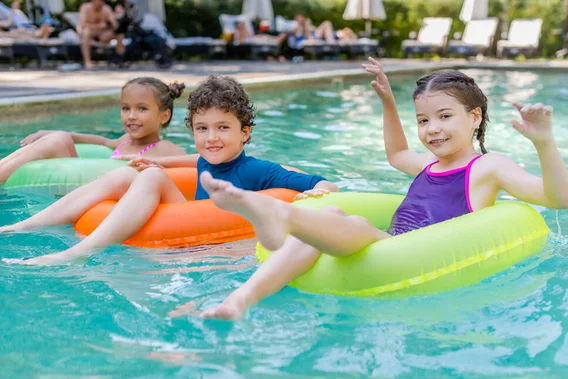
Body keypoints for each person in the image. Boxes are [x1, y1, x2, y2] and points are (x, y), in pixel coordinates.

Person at [196, 57, 568, 320]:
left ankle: (280, 215)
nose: (432, 129)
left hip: (410, 253)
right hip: (387, 240)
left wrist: (544, 142)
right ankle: (240, 299)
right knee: (326, 217)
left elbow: (559, 200)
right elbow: (396, 153)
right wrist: (388, 102)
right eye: (423, 120)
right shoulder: (428, 164)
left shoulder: (487, 167)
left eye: (444, 117)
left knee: (350, 223)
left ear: (474, 118)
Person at [0, 75, 339, 265]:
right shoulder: (206, 158)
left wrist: (317, 191)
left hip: (203, 247)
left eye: (223, 128)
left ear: (245, 132)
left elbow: (321, 182)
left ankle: (76, 254)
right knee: (124, 174)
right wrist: (158, 162)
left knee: (149, 177)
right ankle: (23, 225)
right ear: (192, 130)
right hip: (184, 227)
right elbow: (193, 162)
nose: (211, 138)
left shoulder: (262, 172)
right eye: (202, 129)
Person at [0, 77, 186, 184]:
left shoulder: (165, 148)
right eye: (125, 108)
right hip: (80, 188)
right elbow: (102, 141)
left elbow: (193, 169)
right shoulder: (125, 140)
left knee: (57, 142)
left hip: (89, 193)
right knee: (60, 137)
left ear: (164, 116)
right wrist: (50, 132)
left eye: (142, 109)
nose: (131, 116)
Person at [77, 0, 124, 70]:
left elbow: (115, 27)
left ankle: (120, 59)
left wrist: (113, 20)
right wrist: (99, 26)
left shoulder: (106, 8)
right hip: (90, 33)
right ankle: (87, 62)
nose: (99, 4)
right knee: (86, 32)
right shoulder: (85, 7)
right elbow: (83, 24)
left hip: (104, 34)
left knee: (120, 34)